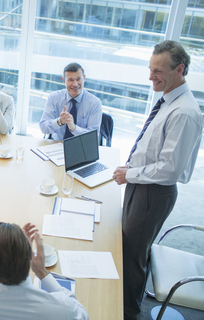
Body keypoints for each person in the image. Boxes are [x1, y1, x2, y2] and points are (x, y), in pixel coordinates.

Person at [112, 40, 202, 320]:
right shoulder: (167, 99)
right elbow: (154, 150)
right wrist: (132, 167)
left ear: (180, 69)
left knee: (132, 254)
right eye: (150, 69)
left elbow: (170, 169)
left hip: (153, 193)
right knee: (130, 246)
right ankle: (128, 299)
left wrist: (132, 174)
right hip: (142, 185)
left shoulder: (184, 112)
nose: (151, 76)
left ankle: (127, 310)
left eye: (158, 70)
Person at [0, 222, 89, 320]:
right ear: (31, 257)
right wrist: (42, 272)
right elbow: (83, 314)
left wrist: (13, 248)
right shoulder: (61, 308)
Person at [39, 62, 102, 140]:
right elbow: (43, 127)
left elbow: (93, 137)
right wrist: (59, 121)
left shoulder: (94, 103)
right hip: (57, 144)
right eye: (70, 80)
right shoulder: (53, 98)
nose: (75, 84)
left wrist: (74, 128)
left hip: (82, 147)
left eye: (78, 79)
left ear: (84, 78)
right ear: (63, 80)